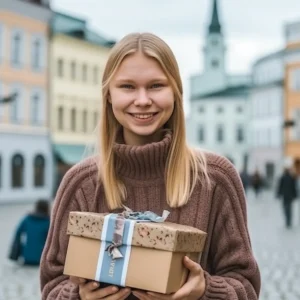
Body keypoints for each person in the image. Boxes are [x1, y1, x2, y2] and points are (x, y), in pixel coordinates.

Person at [40, 33, 260, 300]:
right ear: (108, 95)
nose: (142, 100)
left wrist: (205, 291)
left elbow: (246, 286)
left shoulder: (215, 178)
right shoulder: (81, 183)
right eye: (128, 87)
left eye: (156, 86)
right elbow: (52, 286)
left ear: (176, 92)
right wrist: (79, 296)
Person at [9, 199, 50, 266]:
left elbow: (17, 233)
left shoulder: (27, 218)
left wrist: (15, 253)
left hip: (26, 257)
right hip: (40, 258)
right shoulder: (48, 221)